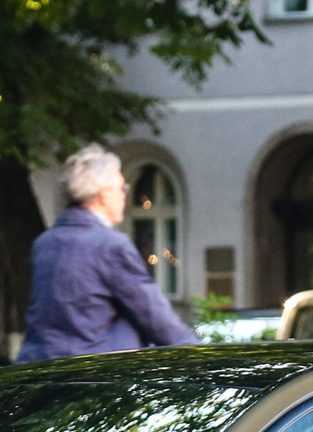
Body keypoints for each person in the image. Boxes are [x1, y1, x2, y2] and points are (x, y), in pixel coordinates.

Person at [15, 145, 197, 361]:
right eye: (121, 188)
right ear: (104, 195)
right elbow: (152, 314)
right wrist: (196, 356)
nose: (125, 195)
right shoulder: (110, 245)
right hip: (92, 372)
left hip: (39, 366)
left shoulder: (46, 243)